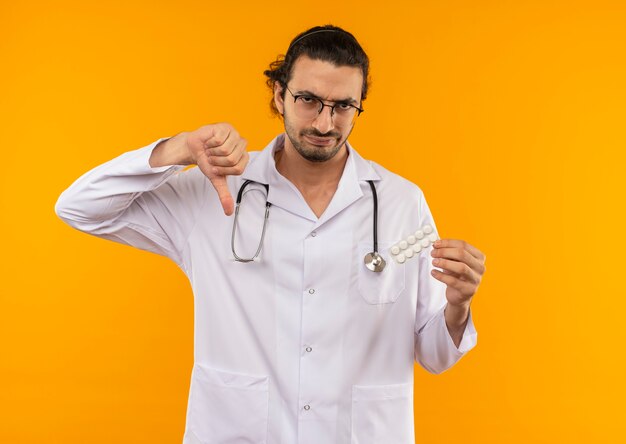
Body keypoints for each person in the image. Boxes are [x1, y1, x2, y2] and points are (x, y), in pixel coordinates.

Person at [55, 24, 486, 444]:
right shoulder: (216, 190)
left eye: (342, 106)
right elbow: (79, 207)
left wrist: (458, 305)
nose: (324, 123)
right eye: (308, 100)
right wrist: (180, 148)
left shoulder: (400, 203)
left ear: (359, 106)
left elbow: (435, 355)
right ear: (279, 95)